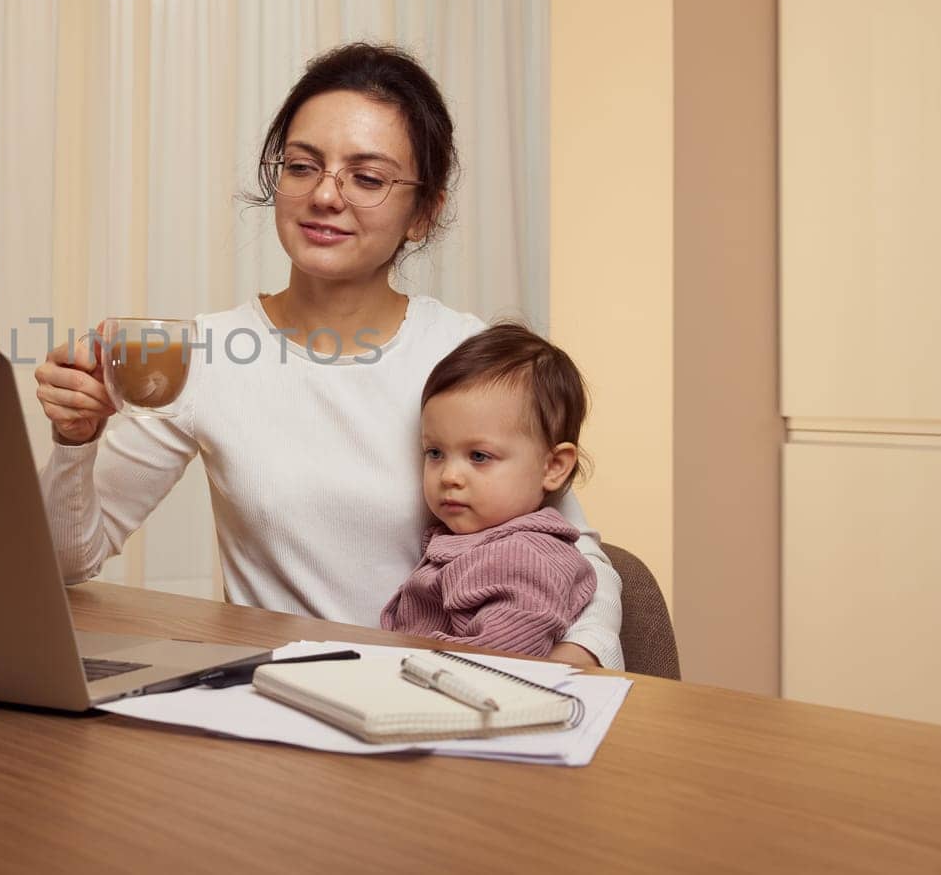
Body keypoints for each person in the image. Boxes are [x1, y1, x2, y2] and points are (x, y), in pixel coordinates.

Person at [33, 43, 623, 669]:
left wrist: (577, 658)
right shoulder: (202, 354)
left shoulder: (469, 356)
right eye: (301, 166)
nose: (324, 196)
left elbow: (574, 555)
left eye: (367, 178)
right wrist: (75, 440)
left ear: (424, 213)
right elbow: (68, 562)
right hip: (280, 708)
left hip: (437, 702)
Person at [379, 324, 597, 658]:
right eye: (435, 452)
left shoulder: (523, 557)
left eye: (479, 456)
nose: (450, 476)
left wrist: (398, 658)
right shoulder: (476, 541)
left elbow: (502, 659)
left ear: (553, 467)